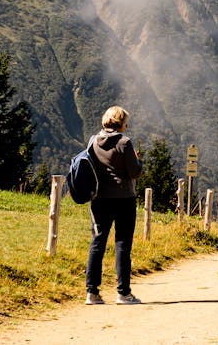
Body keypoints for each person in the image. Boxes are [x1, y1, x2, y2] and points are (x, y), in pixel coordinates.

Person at [85, 105, 143, 306]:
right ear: (121, 123)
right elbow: (135, 172)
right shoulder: (124, 143)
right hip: (123, 198)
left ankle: (92, 293)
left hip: (99, 198)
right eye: (126, 121)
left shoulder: (93, 141)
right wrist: (138, 160)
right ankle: (123, 293)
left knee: (98, 242)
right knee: (122, 244)